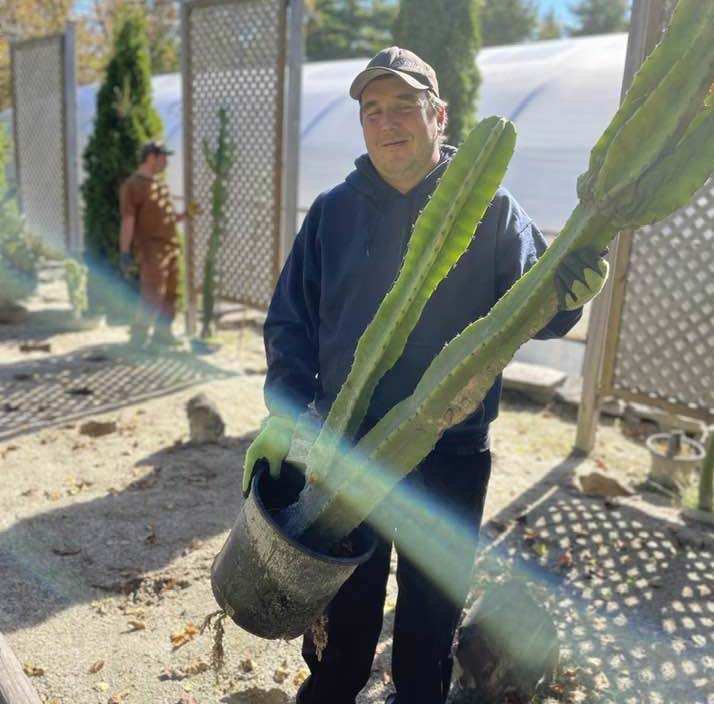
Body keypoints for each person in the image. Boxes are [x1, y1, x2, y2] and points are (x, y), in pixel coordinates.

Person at [243, 47, 608, 704]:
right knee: (340, 633)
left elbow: (541, 312)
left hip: (453, 455)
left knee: (427, 631)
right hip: (343, 448)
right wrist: (291, 411)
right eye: (372, 111)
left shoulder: (493, 210)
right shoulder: (332, 211)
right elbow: (289, 323)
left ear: (439, 115)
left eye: (404, 105)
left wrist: (573, 294)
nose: (387, 123)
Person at [119, 141, 187, 348]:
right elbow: (128, 221)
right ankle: (138, 339)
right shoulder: (132, 186)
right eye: (163, 157)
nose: (166, 162)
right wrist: (124, 252)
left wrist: (185, 215)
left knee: (171, 293)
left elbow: (166, 217)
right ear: (151, 158)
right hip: (151, 249)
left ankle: (162, 334)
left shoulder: (160, 184)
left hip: (171, 247)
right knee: (152, 294)